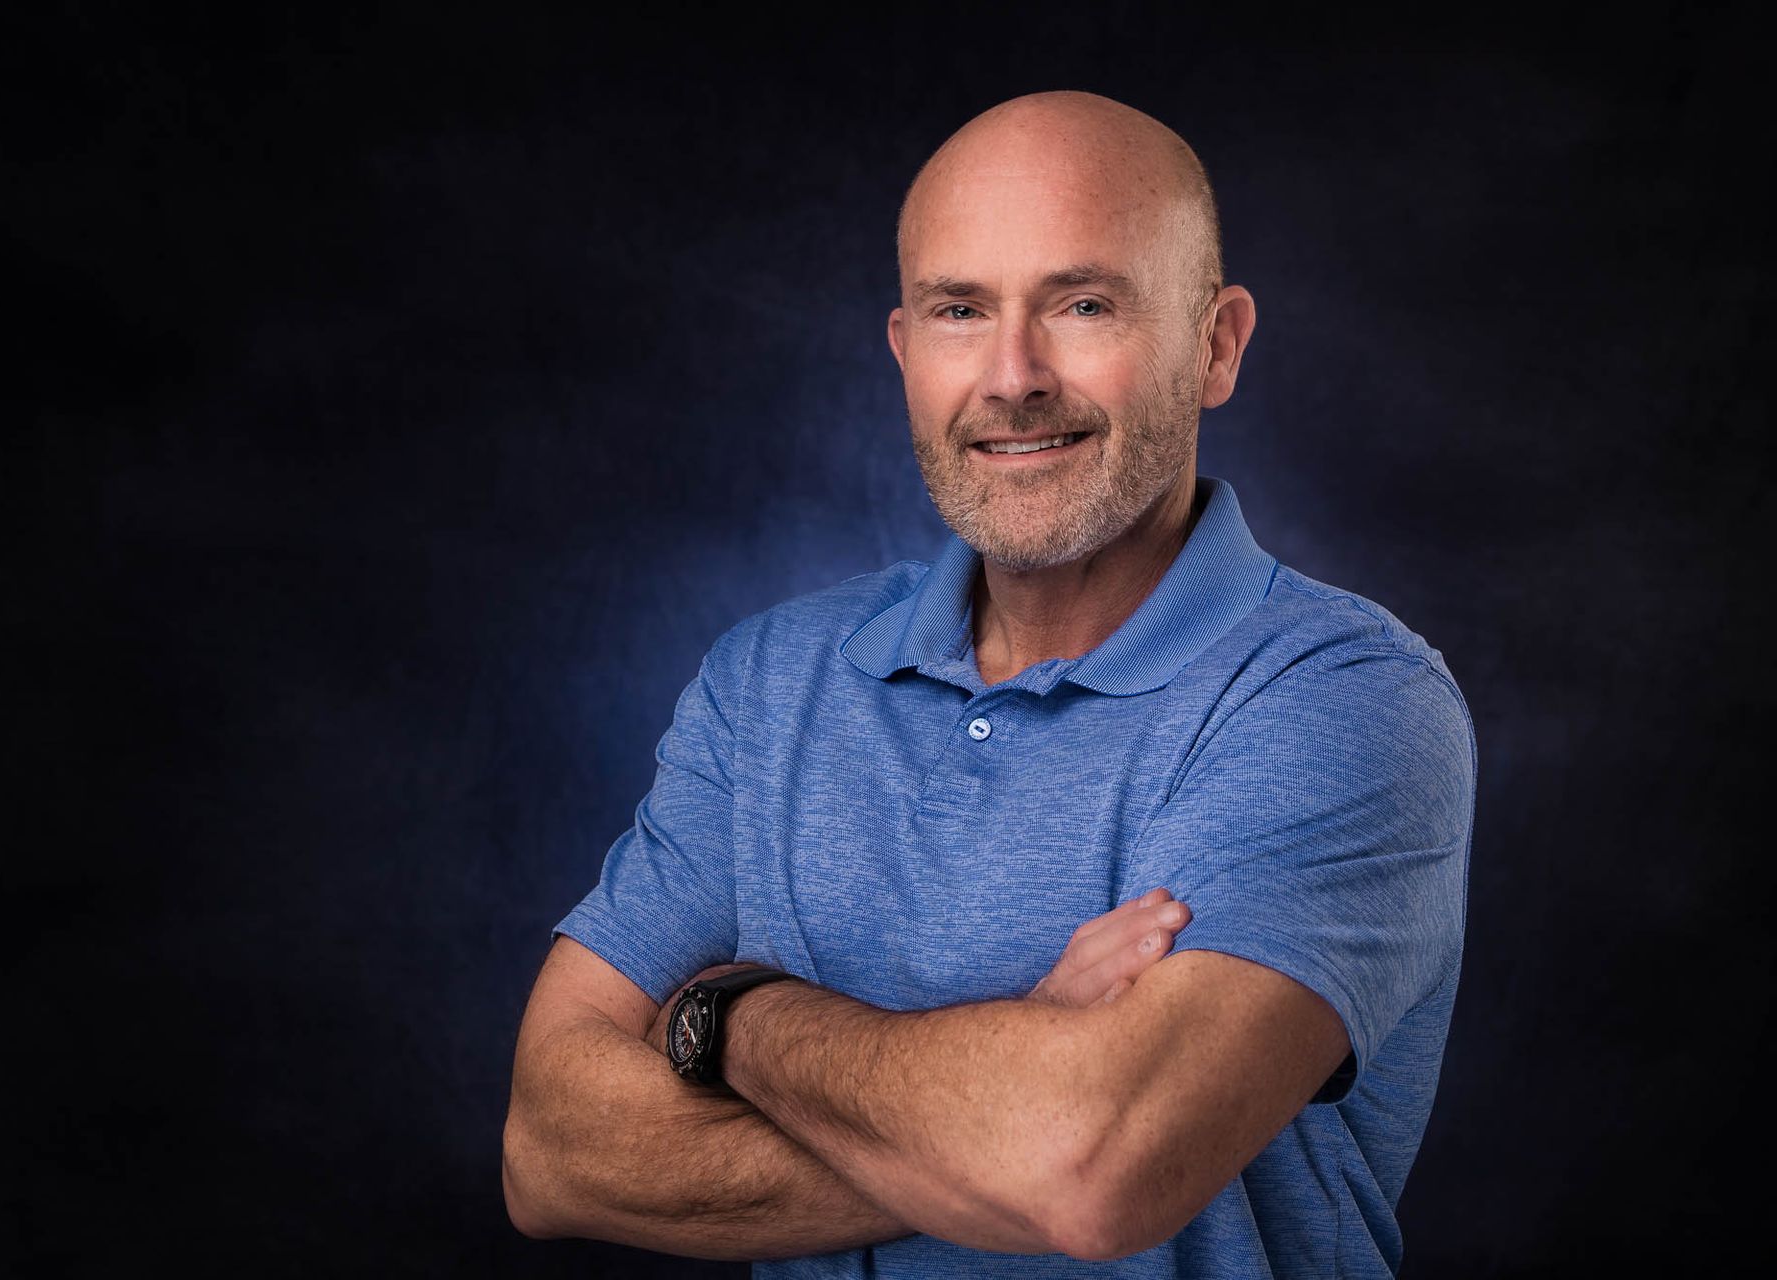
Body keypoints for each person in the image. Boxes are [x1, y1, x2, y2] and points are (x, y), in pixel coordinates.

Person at [502, 90, 1476, 1277]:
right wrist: (1018, 1073)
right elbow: (548, 1151)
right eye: (960, 310)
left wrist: (739, 1018)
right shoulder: (767, 681)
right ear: (906, 349)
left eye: (1082, 304)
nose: (1013, 377)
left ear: (1216, 345)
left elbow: (1090, 1172)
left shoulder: (1344, 698)